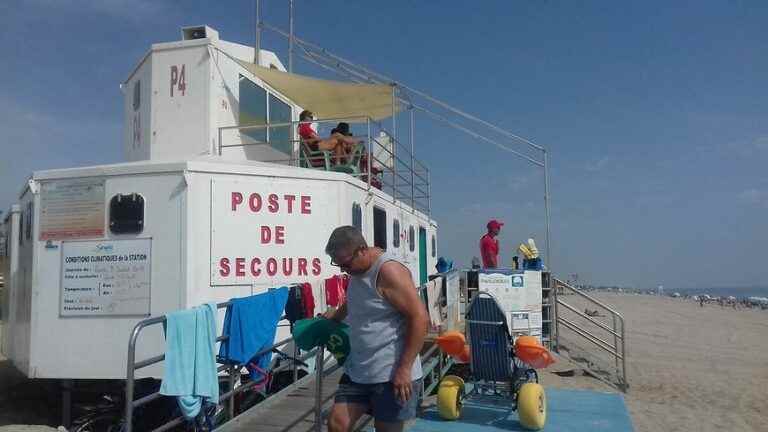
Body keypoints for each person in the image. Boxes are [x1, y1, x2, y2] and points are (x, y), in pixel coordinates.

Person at [323, 226, 427, 432]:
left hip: (391, 373)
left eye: (345, 264)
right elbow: (356, 299)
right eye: (339, 265)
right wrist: (336, 315)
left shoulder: (388, 271)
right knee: (337, 423)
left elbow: (420, 318)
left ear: (362, 250)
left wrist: (404, 369)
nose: (344, 270)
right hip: (359, 369)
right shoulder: (357, 269)